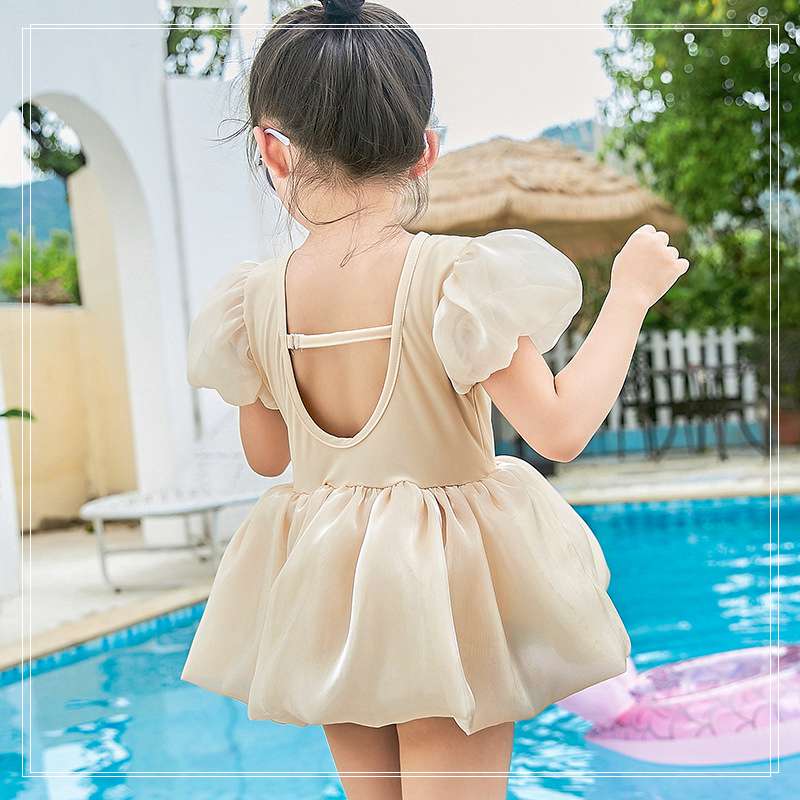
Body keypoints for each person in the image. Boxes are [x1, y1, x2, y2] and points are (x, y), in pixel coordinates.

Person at [180, 1, 689, 797]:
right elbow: (558, 429)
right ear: (425, 151)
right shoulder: (455, 279)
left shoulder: (250, 304)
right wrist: (628, 297)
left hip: (329, 595)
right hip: (444, 596)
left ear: (272, 150)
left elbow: (268, 457)